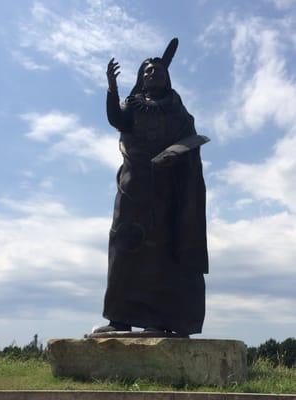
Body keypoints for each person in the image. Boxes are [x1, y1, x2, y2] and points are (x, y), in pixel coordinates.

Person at [94, 38, 209, 337]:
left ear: (167, 77)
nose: (151, 73)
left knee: (159, 254)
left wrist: (175, 154)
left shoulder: (177, 111)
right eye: (146, 70)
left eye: (157, 70)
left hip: (165, 190)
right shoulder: (132, 106)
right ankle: (119, 318)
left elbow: (190, 141)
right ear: (140, 79)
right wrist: (112, 88)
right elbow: (116, 119)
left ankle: (158, 321)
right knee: (123, 246)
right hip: (132, 186)